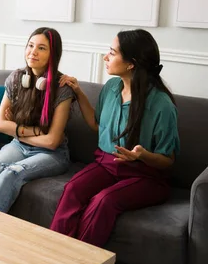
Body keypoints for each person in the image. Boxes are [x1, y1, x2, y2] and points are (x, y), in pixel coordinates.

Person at [50, 29, 180, 247]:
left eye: (112, 52)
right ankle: (54, 253)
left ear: (131, 63)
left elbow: (168, 160)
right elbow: (97, 125)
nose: (105, 57)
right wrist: (79, 92)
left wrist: (143, 155)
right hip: (107, 164)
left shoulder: (161, 105)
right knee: (73, 189)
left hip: (146, 176)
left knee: (104, 201)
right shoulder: (111, 88)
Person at [0, 27, 74, 213]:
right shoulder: (17, 78)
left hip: (53, 155)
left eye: (41, 48)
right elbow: (1, 124)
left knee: (12, 173)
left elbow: (51, 142)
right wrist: (34, 132)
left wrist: (16, 129)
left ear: (53, 54)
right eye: (30, 45)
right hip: (18, 146)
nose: (33, 52)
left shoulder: (62, 88)